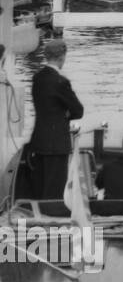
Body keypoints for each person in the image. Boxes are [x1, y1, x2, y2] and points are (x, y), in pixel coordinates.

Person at [27, 39, 84, 200]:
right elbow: (78, 111)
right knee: (55, 188)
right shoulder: (61, 82)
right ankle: (52, 221)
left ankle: (37, 219)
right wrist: (66, 114)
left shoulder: (37, 78)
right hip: (56, 143)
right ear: (62, 57)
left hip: (38, 140)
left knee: (40, 184)